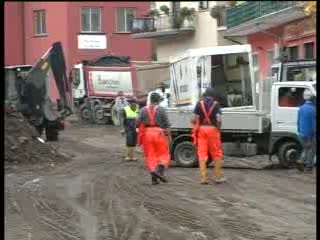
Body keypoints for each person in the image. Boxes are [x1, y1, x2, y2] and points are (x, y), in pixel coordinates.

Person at [192, 88, 225, 184]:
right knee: (216, 153)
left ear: (205, 95)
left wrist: (197, 124)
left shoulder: (199, 104)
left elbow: (193, 119)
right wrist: (218, 128)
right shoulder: (216, 104)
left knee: (202, 153)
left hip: (202, 130)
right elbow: (219, 119)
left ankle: (204, 178)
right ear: (213, 95)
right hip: (213, 130)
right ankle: (218, 177)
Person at [137, 92, 171, 185]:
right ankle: (160, 172)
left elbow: (138, 123)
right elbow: (167, 124)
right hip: (159, 133)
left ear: (150, 100)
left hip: (147, 134)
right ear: (158, 101)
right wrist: (169, 136)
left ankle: (154, 176)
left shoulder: (143, 110)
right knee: (164, 154)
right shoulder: (162, 110)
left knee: (151, 155)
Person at [297, 89, 316, 173]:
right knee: (312, 150)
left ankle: (301, 161)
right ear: (312, 99)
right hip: (310, 134)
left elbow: (298, 121)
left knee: (306, 148)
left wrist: (300, 131)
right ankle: (309, 167)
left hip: (301, 133)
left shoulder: (301, 108)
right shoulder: (313, 109)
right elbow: (313, 124)